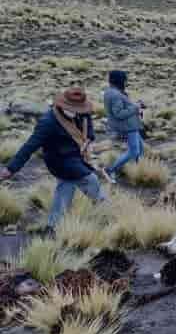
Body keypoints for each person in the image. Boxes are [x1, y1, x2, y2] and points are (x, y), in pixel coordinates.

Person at [0, 87, 108, 231]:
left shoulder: (81, 113)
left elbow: (88, 126)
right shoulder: (48, 122)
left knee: (66, 187)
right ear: (64, 105)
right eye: (75, 108)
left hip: (76, 157)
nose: (78, 112)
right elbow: (29, 146)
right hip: (59, 161)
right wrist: (11, 168)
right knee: (90, 179)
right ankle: (105, 211)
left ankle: (52, 226)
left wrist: (89, 138)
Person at [103, 70, 145, 184]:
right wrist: (136, 107)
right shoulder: (116, 95)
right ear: (120, 80)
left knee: (141, 149)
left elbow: (121, 107)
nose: (126, 82)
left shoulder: (110, 92)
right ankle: (110, 169)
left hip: (131, 125)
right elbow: (119, 114)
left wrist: (134, 104)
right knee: (134, 152)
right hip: (128, 126)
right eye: (125, 80)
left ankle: (139, 171)